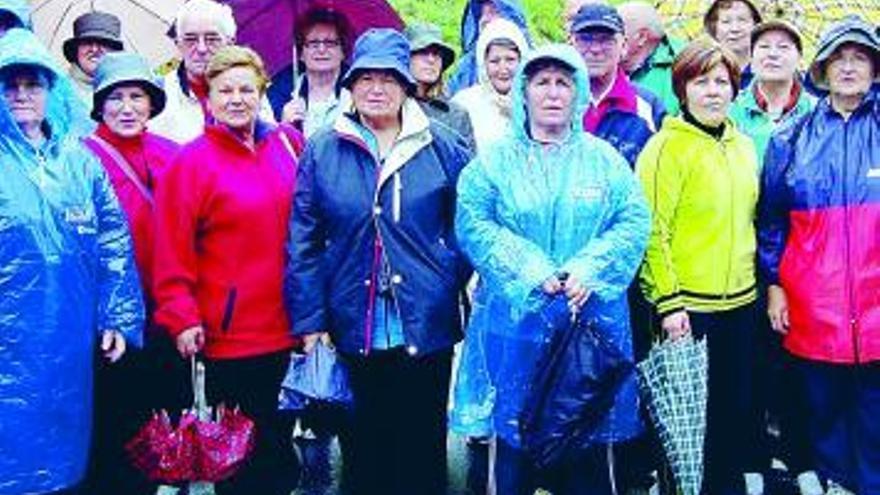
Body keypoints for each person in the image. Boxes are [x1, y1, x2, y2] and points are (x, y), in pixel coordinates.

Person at [453, 43, 649, 495]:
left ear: (579, 90)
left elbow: (633, 220)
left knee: (590, 453)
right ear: (524, 91)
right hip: (515, 330)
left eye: (563, 82)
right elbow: (474, 222)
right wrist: (527, 268)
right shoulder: (495, 162)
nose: (553, 93)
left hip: (590, 334)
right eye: (542, 82)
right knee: (513, 452)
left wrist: (589, 269)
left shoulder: (606, 161)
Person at [286, 28, 472, 495]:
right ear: (350, 84)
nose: (376, 88)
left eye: (388, 78)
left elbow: (468, 228)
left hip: (423, 324)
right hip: (352, 320)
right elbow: (303, 240)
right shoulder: (326, 147)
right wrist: (310, 321)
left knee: (421, 449)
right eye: (365, 77)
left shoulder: (442, 146)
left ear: (407, 85)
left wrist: (444, 274)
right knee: (364, 450)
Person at [152, 45, 303, 495]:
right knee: (239, 458)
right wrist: (181, 315)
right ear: (208, 96)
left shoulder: (289, 146)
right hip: (230, 338)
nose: (237, 99)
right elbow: (171, 247)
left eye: (246, 89)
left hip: (289, 327)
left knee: (280, 448)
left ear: (262, 92)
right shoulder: (191, 163)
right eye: (225, 90)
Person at [0, 28, 143, 495]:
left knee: (65, 447)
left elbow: (113, 240)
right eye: (10, 84)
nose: (22, 94)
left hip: (69, 337)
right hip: (9, 337)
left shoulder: (80, 162)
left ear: (49, 90)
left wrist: (118, 316)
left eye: (32, 84)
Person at [758, 16, 880, 495]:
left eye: (860, 57)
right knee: (822, 412)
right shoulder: (790, 137)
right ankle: (832, 485)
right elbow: (771, 221)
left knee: (875, 415)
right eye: (839, 58)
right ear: (823, 69)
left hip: (875, 308)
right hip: (814, 307)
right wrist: (774, 287)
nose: (849, 67)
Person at [637, 39, 763, 495]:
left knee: (733, 415)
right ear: (682, 88)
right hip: (688, 311)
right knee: (687, 427)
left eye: (722, 81)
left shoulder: (745, 146)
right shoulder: (665, 148)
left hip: (742, 304)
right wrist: (668, 303)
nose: (713, 91)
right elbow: (652, 232)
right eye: (701, 81)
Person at [79, 52, 186, 495]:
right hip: (112, 318)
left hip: (165, 311)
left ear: (152, 103)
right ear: (100, 105)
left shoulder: (174, 156)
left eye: (137, 96)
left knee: (161, 419)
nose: (127, 107)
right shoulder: (81, 159)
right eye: (116, 97)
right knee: (115, 421)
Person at [150, 0, 274, 144]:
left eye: (212, 39)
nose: (201, 49)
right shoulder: (160, 93)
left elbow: (268, 145)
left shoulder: (250, 89)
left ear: (230, 43)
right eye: (191, 40)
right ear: (178, 44)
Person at [570, 3, 665, 167]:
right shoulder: (553, 101)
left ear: (624, 46)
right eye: (585, 39)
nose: (595, 49)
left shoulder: (648, 108)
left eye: (606, 40)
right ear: (571, 43)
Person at [730, 20, 814, 163]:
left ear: (800, 59)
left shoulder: (816, 111)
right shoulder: (730, 110)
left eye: (783, 47)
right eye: (764, 46)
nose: (773, 54)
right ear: (751, 59)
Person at [271, 8, 350, 137]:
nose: (321, 49)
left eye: (330, 43)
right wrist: (283, 126)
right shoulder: (278, 95)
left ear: (343, 51)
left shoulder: (357, 92)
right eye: (313, 43)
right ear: (301, 53)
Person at [452, 18, 528, 151]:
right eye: (494, 61)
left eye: (510, 60)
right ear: (483, 64)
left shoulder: (536, 103)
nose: (503, 68)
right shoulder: (465, 104)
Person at [406, 22, 476, 152]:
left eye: (437, 54)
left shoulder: (457, 115)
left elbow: (469, 165)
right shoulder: (392, 110)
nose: (431, 60)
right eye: (423, 52)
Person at [447, 0, 530, 95]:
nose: (486, 18)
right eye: (483, 14)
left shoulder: (534, 63)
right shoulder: (466, 68)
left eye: (494, 12)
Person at [618, 0, 685, 115]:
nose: (608, 38)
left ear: (642, 37)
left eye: (617, 31)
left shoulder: (688, 62)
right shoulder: (600, 61)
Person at [62, 11, 123, 107]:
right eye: (87, 42)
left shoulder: (128, 91)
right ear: (76, 50)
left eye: (103, 42)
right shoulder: (59, 89)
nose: (94, 49)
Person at [704, 0, 762, 88]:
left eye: (742, 20)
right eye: (726, 22)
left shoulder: (767, 71)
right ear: (714, 29)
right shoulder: (703, 72)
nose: (735, 29)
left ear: (756, 26)